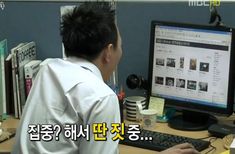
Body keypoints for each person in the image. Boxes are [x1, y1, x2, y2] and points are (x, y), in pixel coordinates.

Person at [12, 2, 199, 154]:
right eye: (120, 45)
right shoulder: (101, 98)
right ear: (108, 52)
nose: (121, 51)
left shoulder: (47, 69)